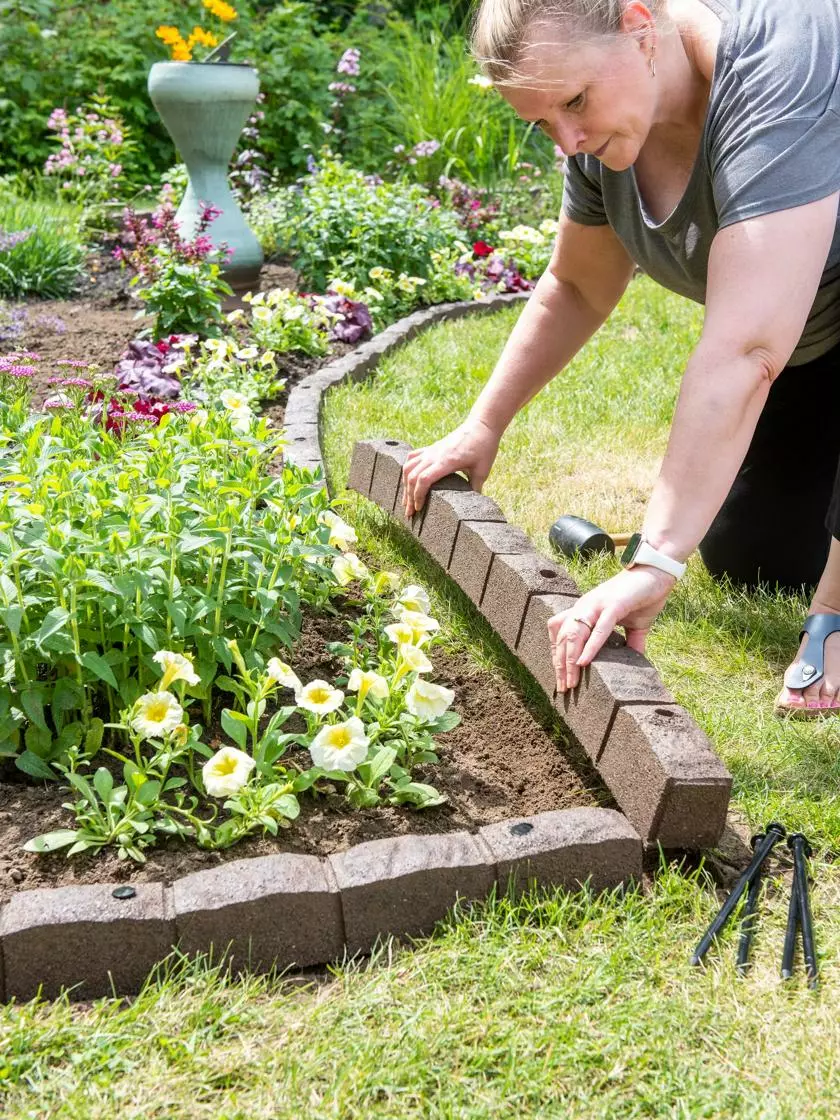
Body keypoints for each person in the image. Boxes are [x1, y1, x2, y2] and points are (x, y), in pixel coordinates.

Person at [399, 0, 840, 716]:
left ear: (640, 25)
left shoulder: (777, 63)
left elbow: (747, 347)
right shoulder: (599, 142)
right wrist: (483, 425)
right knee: (756, 559)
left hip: (791, 333)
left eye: (575, 102)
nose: (567, 140)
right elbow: (576, 284)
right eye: (543, 122)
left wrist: (655, 560)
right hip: (815, 343)